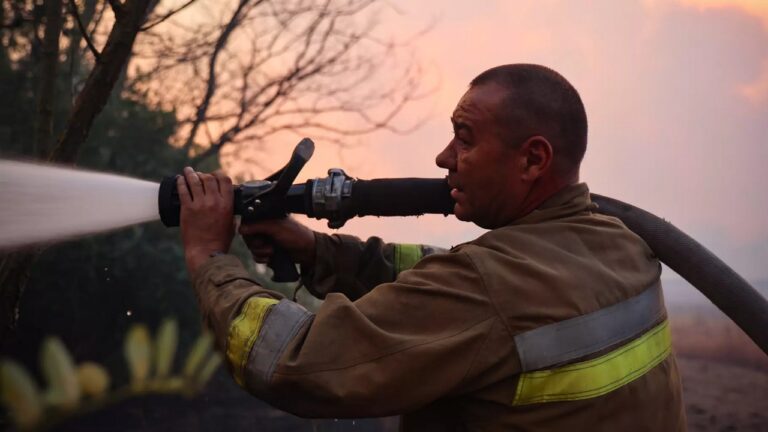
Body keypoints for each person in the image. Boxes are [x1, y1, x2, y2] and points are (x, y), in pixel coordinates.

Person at [177, 64, 686, 430]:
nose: (444, 158)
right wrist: (318, 250)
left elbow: (295, 362)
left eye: (465, 139)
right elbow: (437, 280)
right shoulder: (621, 243)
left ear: (532, 160)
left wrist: (209, 259)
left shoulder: (491, 287)